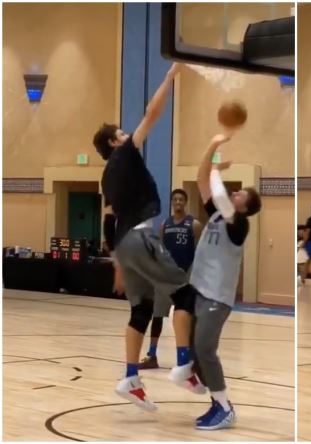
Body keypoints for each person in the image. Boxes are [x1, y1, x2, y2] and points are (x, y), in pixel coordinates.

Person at [94, 63, 204, 411]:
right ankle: (184, 365)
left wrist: (117, 261)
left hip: (125, 246)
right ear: (114, 142)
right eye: (122, 133)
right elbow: (152, 114)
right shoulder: (125, 154)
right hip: (141, 238)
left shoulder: (106, 178)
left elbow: (108, 220)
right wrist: (170, 77)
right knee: (186, 296)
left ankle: (130, 378)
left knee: (140, 310)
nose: (128, 134)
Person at [189, 133, 262, 430]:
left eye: (241, 194)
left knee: (205, 349)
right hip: (199, 290)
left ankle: (225, 407)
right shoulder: (219, 215)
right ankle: (214, 401)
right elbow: (200, 179)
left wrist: (217, 170)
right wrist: (212, 146)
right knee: (195, 350)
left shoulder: (239, 223)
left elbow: (217, 192)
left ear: (245, 206)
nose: (235, 193)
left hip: (217, 297)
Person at [139, 189, 201, 369]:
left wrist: (193, 277)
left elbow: (200, 254)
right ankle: (152, 355)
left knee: (186, 319)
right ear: (172, 202)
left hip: (185, 278)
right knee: (157, 316)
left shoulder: (194, 224)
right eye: (175, 199)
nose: (178, 202)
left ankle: (189, 358)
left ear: (185, 202)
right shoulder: (165, 225)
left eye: (181, 199)